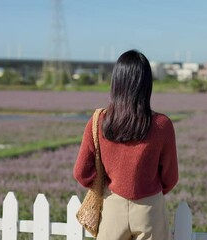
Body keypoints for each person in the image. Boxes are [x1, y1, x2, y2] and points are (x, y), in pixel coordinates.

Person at [74, 49, 179, 240]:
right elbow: (170, 177)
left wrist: (109, 185)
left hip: (113, 207)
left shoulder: (98, 122)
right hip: (150, 210)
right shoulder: (162, 125)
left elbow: (81, 173)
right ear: (147, 85)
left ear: (116, 82)